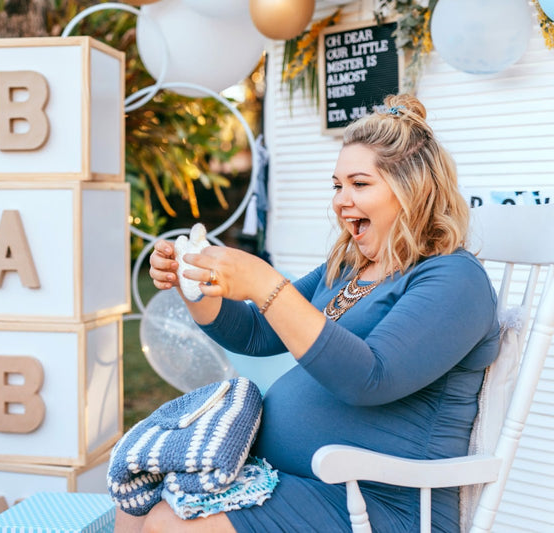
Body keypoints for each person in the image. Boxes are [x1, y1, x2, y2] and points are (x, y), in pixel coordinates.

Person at [118, 94, 501, 532]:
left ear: (413, 188)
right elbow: (258, 333)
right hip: (296, 479)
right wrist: (197, 287)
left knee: (171, 524)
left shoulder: (453, 279)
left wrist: (266, 284)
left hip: (379, 499)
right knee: (138, 499)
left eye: (360, 184)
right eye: (338, 186)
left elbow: (370, 378)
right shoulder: (350, 266)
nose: (341, 201)